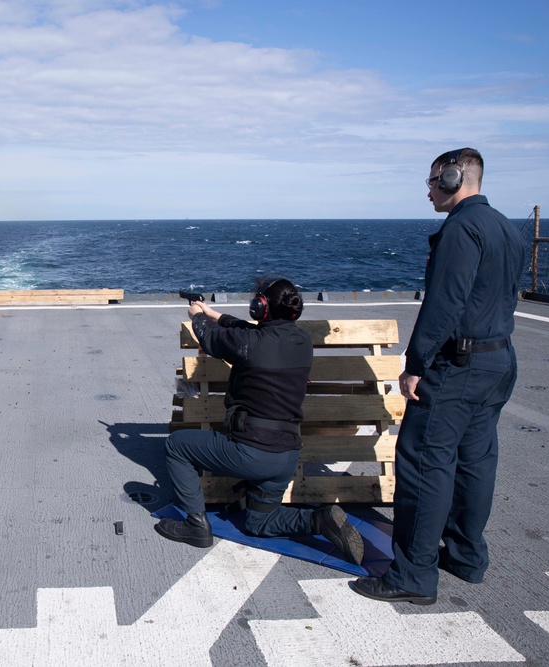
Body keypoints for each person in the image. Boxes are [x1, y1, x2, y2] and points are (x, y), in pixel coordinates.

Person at [352, 148, 528, 605]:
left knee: (425, 463)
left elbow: (444, 304)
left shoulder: (460, 228)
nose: (428, 190)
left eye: (432, 181)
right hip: (499, 360)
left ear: (454, 178)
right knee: (475, 462)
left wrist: (415, 365)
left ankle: (412, 574)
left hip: (458, 365)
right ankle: (467, 558)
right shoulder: (508, 229)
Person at [155, 277, 365, 565]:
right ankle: (319, 520)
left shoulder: (250, 343)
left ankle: (195, 525)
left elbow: (211, 338)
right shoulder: (301, 340)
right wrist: (214, 313)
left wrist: (199, 318)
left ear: (261, 306)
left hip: (251, 451)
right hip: (287, 455)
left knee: (177, 445)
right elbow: (249, 332)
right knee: (258, 523)